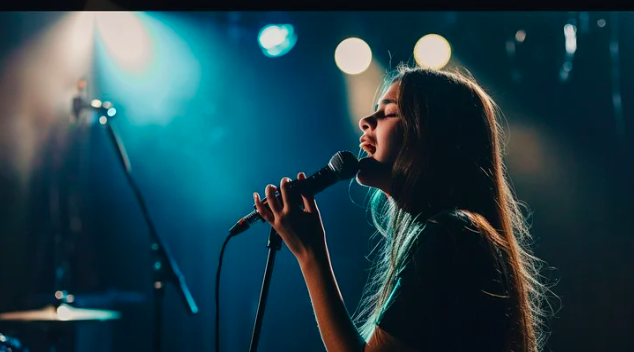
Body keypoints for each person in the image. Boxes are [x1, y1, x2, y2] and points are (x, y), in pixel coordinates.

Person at [253, 63, 550, 352]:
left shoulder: (450, 234)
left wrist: (310, 255)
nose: (366, 121)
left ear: (434, 136)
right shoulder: (447, 232)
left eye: (390, 112)